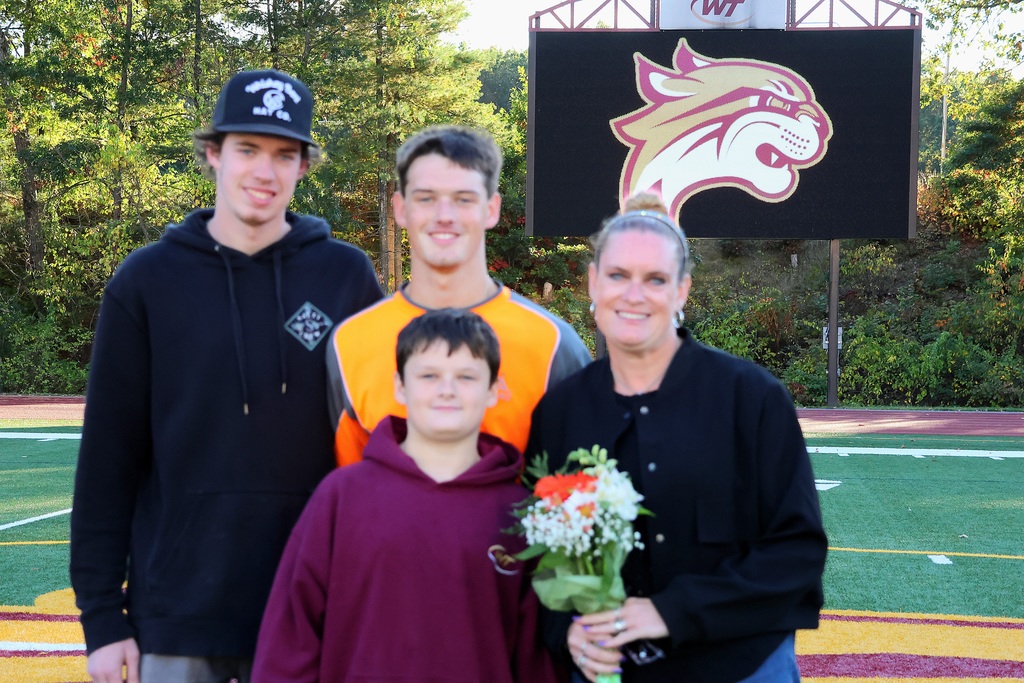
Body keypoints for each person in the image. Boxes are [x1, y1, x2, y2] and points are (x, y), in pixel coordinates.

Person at [69, 69, 383, 683]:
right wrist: (103, 619)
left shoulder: (345, 277)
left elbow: (378, 446)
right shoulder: (147, 282)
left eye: (284, 154)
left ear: (302, 166)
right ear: (213, 154)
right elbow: (108, 459)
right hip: (178, 616)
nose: (264, 172)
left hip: (314, 608)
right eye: (247, 149)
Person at [526, 194, 828, 682]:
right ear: (592, 282)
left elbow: (797, 552)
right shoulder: (562, 411)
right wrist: (567, 629)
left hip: (739, 666)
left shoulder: (750, 398)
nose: (633, 294)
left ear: (683, 289)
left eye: (656, 280)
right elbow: (543, 552)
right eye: (618, 275)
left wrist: (673, 610)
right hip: (611, 672)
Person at [252, 309, 558, 683]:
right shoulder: (342, 497)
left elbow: (536, 660)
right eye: (428, 376)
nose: (447, 389)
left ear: (495, 390)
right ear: (399, 385)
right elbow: (291, 637)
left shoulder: (518, 515)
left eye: (466, 377)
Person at [327, 124, 591, 466]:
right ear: (401, 208)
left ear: (492, 208)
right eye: (426, 198)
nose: (444, 216)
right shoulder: (351, 344)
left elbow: (578, 493)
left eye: (464, 199)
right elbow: (348, 499)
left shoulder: (554, 345)